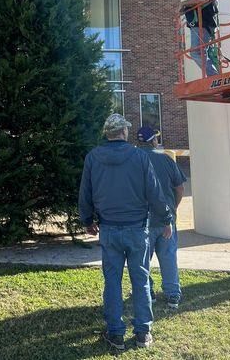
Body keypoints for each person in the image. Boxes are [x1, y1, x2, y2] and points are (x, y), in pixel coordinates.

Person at [79, 114, 173, 352]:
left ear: (107, 133)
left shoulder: (92, 158)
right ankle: (143, 332)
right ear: (123, 132)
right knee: (140, 280)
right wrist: (166, 219)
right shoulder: (140, 157)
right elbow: (154, 192)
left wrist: (88, 220)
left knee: (112, 281)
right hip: (137, 229)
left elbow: (86, 192)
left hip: (109, 228)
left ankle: (115, 333)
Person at [136, 126, 186, 309]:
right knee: (168, 257)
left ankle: (148, 292)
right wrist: (172, 209)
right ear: (154, 141)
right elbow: (180, 188)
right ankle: (173, 295)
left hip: (142, 221)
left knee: (142, 259)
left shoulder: (134, 160)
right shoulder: (165, 160)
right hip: (167, 220)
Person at [179, 0, 219, 76]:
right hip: (203, 22)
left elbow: (200, 0)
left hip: (202, 23)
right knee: (201, 51)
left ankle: (213, 76)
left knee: (196, 52)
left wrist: (183, 3)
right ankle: (213, 75)